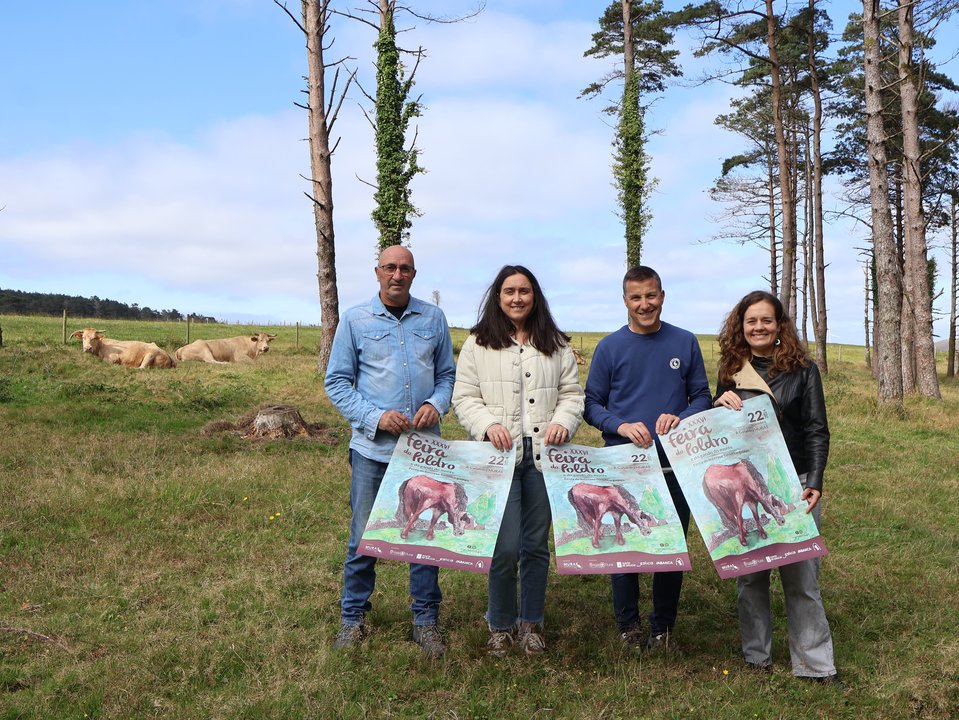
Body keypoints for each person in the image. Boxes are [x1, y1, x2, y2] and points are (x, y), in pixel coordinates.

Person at [324, 245, 456, 658]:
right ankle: (353, 617)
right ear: (376, 273)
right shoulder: (356, 320)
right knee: (364, 534)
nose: (397, 275)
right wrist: (375, 416)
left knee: (424, 535)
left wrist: (435, 404)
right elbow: (337, 382)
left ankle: (425, 621)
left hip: (423, 450)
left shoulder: (433, 318)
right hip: (372, 450)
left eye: (405, 268)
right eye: (389, 268)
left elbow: (447, 375)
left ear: (413, 274)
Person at [452, 265, 584, 657]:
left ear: (535, 295)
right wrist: (487, 424)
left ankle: (531, 624)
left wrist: (562, 422)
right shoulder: (479, 343)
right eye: (509, 291)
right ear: (498, 297)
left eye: (524, 291)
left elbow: (572, 394)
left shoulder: (555, 343)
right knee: (504, 545)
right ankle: (500, 624)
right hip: (499, 458)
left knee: (535, 546)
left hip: (545, 457)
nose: (517, 298)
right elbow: (465, 397)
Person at [713, 290, 839, 683]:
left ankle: (815, 665)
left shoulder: (803, 370)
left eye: (767, 320)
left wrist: (815, 479)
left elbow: (817, 429)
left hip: (795, 482)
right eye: (751, 321)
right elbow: (716, 432)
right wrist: (718, 405)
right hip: (745, 484)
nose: (759, 327)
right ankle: (756, 657)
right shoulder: (731, 370)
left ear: (780, 325)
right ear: (741, 326)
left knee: (802, 577)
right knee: (751, 576)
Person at [584, 265, 711, 652]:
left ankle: (663, 627)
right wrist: (620, 426)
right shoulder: (609, 348)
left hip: (673, 464)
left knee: (670, 546)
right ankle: (629, 626)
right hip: (622, 464)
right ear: (625, 301)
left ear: (662, 296)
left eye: (651, 295)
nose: (645, 304)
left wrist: (682, 417)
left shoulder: (685, 342)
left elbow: (702, 396)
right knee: (624, 547)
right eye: (636, 298)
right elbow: (591, 404)